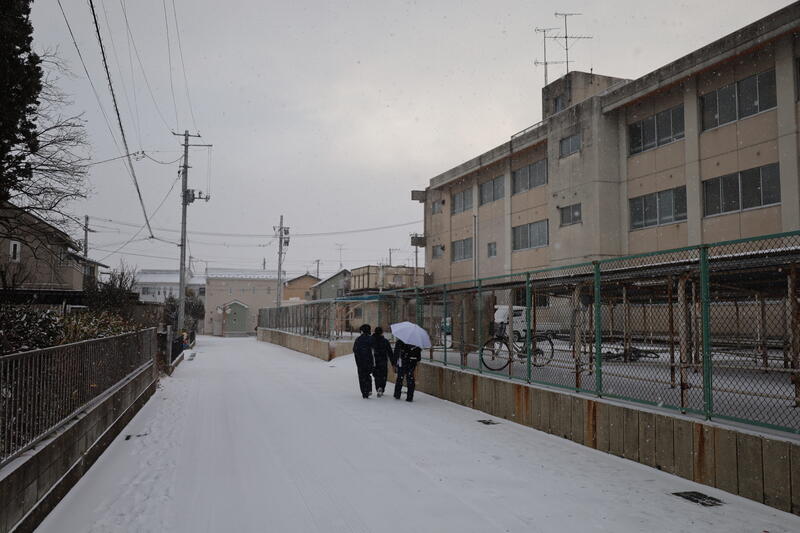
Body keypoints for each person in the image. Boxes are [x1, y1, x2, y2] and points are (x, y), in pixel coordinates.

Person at [352, 324, 374, 398]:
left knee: (362, 377)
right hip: (369, 361)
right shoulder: (371, 339)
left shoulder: (358, 339)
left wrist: (358, 359)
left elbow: (355, 350)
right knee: (368, 375)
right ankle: (369, 389)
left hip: (360, 362)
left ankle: (364, 392)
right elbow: (374, 349)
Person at [371, 327, 393, 397]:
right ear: (382, 333)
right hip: (383, 361)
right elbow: (390, 352)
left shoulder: (371, 340)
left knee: (377, 376)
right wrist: (393, 362)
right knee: (383, 375)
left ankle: (378, 387)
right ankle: (381, 388)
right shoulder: (385, 341)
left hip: (375, 361)